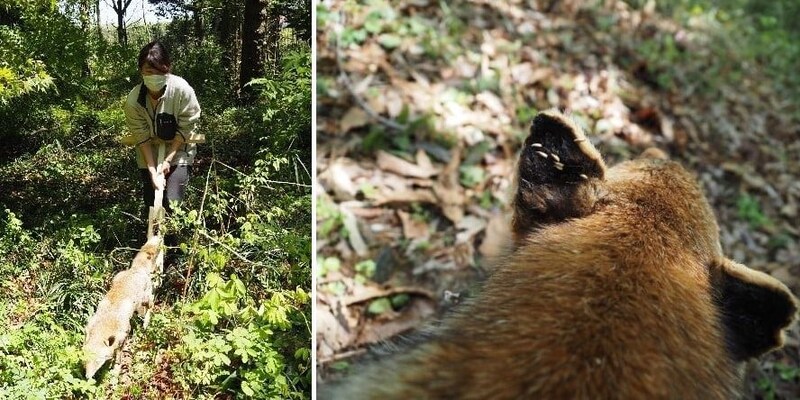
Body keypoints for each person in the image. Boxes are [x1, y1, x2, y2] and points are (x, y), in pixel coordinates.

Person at [124, 41, 201, 216]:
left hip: (179, 149)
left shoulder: (182, 91)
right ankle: (153, 230)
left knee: (173, 201)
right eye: (149, 72)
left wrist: (167, 160)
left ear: (168, 69)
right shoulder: (133, 101)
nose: (155, 76)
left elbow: (187, 125)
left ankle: (173, 231)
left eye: (160, 71)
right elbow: (141, 137)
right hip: (149, 153)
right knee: (151, 201)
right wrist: (153, 171)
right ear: (141, 71)